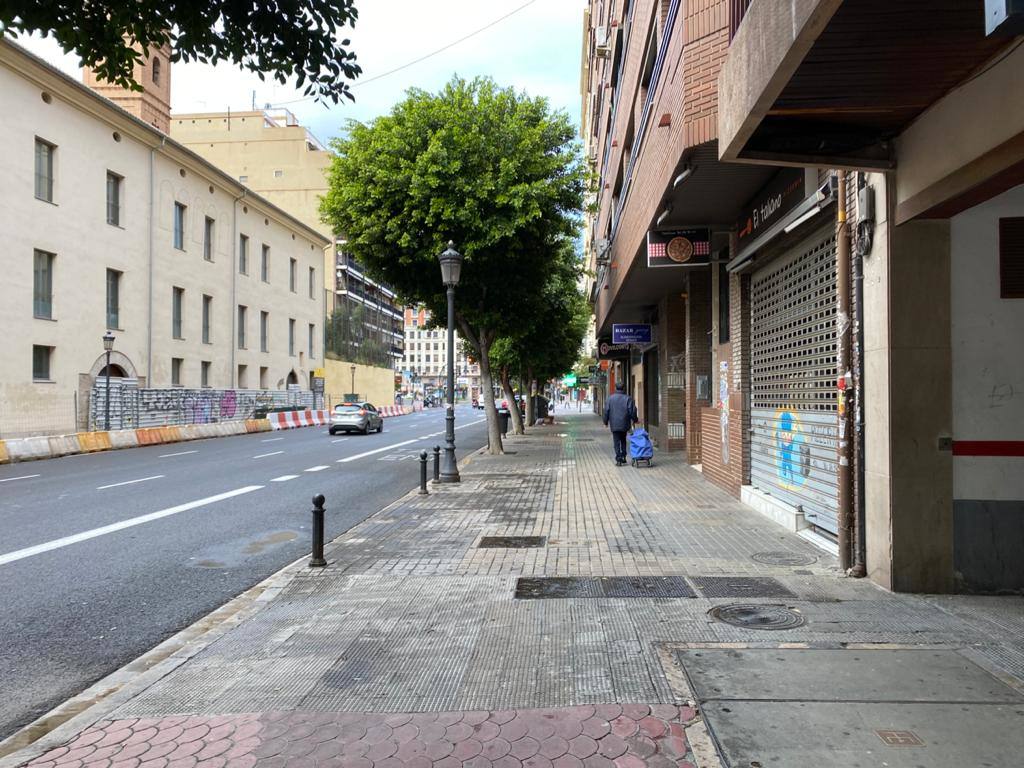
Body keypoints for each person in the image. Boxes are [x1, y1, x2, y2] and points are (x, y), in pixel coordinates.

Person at [603, 382, 638, 466]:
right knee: (623, 440)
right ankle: (624, 457)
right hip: (625, 423)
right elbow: (632, 411)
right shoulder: (628, 398)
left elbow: (606, 411)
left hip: (614, 424)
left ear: (616, 388)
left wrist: (605, 422)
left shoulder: (610, 399)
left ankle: (618, 459)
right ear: (623, 388)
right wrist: (635, 420)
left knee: (616, 441)